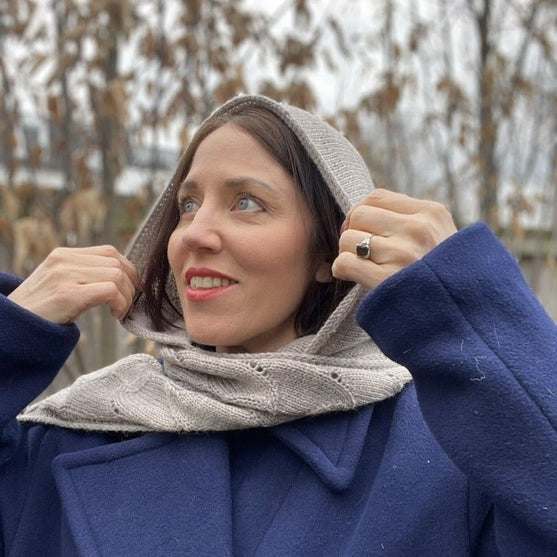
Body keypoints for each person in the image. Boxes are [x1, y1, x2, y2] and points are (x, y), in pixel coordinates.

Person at [0, 94, 555, 556]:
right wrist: (10, 336)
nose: (194, 234)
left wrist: (463, 303)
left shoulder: (447, 452)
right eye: (188, 205)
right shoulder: (68, 439)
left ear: (329, 252)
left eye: (246, 202)